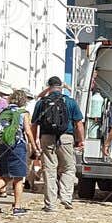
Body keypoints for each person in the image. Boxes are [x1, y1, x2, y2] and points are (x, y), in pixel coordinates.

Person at [31, 76, 85, 214]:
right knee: (68, 168)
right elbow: (79, 123)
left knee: (49, 170)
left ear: (48, 87)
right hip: (66, 137)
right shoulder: (70, 102)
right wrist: (81, 140)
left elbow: (34, 124)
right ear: (61, 87)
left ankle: (50, 204)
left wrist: (35, 140)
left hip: (46, 137)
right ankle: (66, 198)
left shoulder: (42, 103)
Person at [0, 88, 37, 216]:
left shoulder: (3, 112)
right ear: (23, 101)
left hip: (3, 146)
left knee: (6, 175)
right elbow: (28, 131)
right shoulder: (24, 113)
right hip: (18, 147)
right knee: (18, 177)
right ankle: (17, 207)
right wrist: (34, 147)